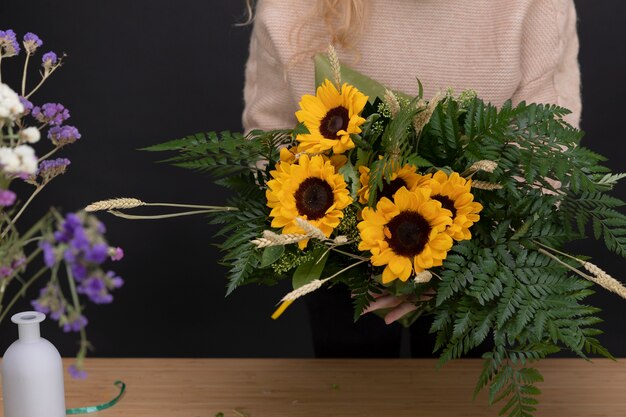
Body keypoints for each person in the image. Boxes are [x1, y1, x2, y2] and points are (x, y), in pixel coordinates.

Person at [241, 0, 582, 357]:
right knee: (353, 394)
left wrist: (454, 271)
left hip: (477, 265)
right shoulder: (292, 8)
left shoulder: (536, 6)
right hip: (342, 263)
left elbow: (543, 159)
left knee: (458, 400)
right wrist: (355, 256)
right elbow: (270, 138)